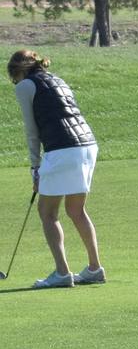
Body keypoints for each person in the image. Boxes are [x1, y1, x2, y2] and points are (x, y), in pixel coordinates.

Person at [9, 49, 104, 290]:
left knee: (47, 212)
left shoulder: (25, 86)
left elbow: (32, 130)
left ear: (18, 71)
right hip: (87, 145)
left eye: (14, 78)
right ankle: (94, 268)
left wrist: (35, 167)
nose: (15, 83)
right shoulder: (58, 79)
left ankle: (62, 273)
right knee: (76, 209)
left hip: (62, 149)